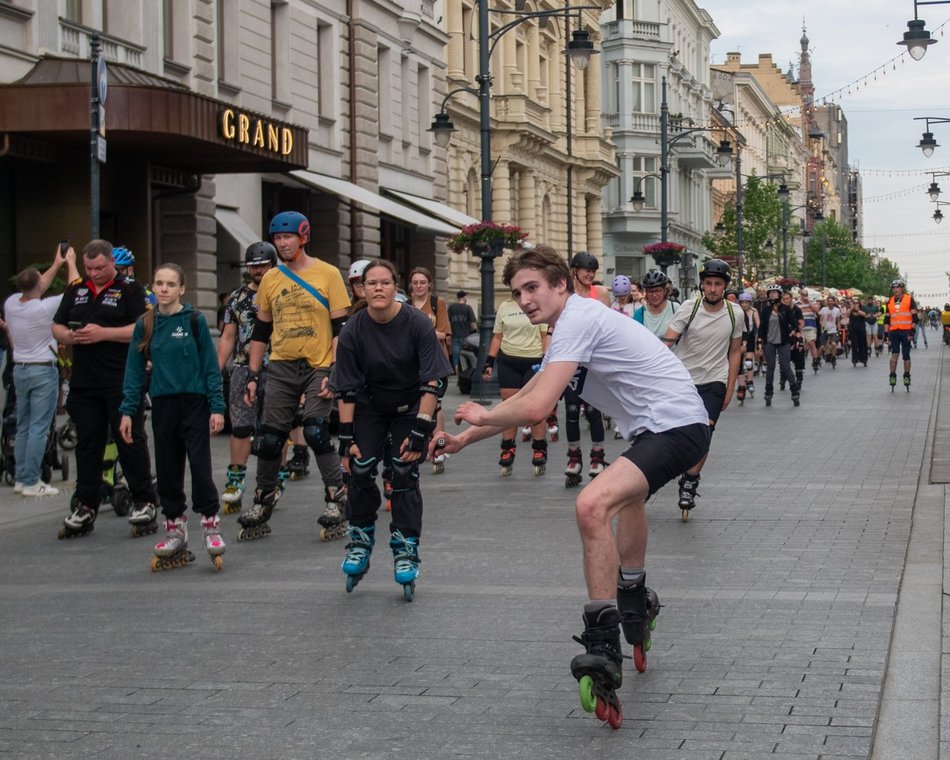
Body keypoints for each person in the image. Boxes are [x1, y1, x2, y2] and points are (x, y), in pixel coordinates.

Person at [432, 245, 710, 728]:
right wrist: (464, 439)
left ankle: (603, 641)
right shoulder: (567, 328)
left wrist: (483, 412)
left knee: (591, 505)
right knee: (627, 499)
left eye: (533, 287)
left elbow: (537, 410)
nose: (524, 299)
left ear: (562, 284)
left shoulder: (579, 318)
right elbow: (531, 392)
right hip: (661, 429)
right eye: (517, 293)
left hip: (677, 427)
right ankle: (634, 595)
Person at [333, 260, 452, 600]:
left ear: (395, 286)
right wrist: (345, 438)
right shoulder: (354, 329)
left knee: (402, 470)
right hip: (369, 406)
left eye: (385, 282)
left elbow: (434, 381)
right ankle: (360, 537)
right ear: (363, 289)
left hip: (410, 405)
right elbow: (346, 389)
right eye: (372, 283)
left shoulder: (416, 323)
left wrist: (420, 431)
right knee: (358, 468)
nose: (379, 289)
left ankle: (405, 546)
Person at [239, 211, 351, 540]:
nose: (282, 243)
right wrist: (252, 375)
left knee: (315, 431)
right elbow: (261, 331)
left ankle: (336, 497)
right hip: (282, 366)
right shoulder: (271, 279)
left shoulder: (328, 274)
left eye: (288, 237)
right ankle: (262, 501)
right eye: (277, 238)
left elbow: (339, 329)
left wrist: (335, 369)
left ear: (303, 237)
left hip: (318, 364)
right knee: (270, 437)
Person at [118, 264, 226, 571]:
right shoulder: (145, 324)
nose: (163, 289)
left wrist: (217, 407)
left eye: (170, 284)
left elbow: (209, 366)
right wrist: (127, 411)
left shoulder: (194, 320)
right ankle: (175, 527)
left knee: (201, 467)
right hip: (163, 405)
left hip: (194, 403)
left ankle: (210, 524)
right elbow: (134, 372)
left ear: (181, 289)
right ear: (152, 288)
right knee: (167, 469)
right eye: (158, 284)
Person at [52, 240, 158, 540]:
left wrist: (103, 333)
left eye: (99, 268)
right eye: (88, 268)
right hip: (85, 382)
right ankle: (86, 504)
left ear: (112, 262)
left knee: (129, 439)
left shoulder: (130, 289)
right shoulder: (77, 290)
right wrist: (68, 336)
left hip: (121, 380)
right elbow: (56, 325)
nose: (94, 273)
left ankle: (144, 500)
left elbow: (143, 328)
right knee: (87, 443)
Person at [661, 259, 743, 519]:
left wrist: (730, 387)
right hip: (684, 380)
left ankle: (690, 481)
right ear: (702, 285)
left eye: (718, 284)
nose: (712, 288)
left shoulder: (735, 313)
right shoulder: (689, 308)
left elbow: (735, 350)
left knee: (705, 432)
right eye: (708, 283)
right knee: (676, 432)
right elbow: (667, 343)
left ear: (725, 286)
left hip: (714, 381)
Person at [4, 244, 79, 496]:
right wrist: (70, 263)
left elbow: (38, 285)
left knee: (24, 426)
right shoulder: (44, 309)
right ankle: (32, 481)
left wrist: (55, 263)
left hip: (20, 370)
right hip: (42, 371)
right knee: (39, 426)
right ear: (38, 286)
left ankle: (22, 478)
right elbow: (74, 290)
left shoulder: (12, 303)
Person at [216, 242, 277, 513]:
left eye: (263, 265)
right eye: (254, 266)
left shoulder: (282, 294)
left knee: (274, 428)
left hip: (277, 366)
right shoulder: (236, 299)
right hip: (242, 367)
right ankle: (236, 480)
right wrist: (215, 370)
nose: (258, 270)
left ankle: (273, 479)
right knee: (240, 426)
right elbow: (228, 336)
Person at [481, 295, 550, 476]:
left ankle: (539, 446)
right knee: (509, 407)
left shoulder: (536, 303)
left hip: (533, 360)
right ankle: (508, 448)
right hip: (508, 361)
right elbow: (497, 337)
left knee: (534, 407)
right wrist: (489, 362)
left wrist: (546, 359)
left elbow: (545, 335)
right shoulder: (505, 306)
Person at [563, 251, 610, 486]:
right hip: (572, 359)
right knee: (571, 409)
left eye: (592, 271)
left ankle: (597, 458)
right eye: (585, 270)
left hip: (594, 359)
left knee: (593, 410)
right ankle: (574, 458)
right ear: (575, 271)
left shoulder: (600, 293)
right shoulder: (566, 294)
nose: (589, 274)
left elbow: (609, 325)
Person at [408, 267, 451, 474]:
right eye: (415, 282)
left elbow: (444, 333)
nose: (418, 286)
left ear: (429, 284)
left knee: (436, 403)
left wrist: (420, 332)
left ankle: (439, 442)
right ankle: (420, 441)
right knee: (417, 402)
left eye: (422, 282)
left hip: (434, 359)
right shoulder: (404, 305)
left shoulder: (437, 303)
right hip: (411, 362)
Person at [757, 284, 801, 408]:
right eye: (770, 293)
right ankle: (769, 391)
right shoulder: (765, 310)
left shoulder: (785, 309)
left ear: (779, 294)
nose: (772, 295)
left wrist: (795, 333)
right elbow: (762, 327)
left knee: (785, 365)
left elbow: (794, 324)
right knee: (770, 366)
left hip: (784, 341)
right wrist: (760, 342)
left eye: (775, 293)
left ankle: (794, 390)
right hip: (769, 341)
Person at [883, 278, 919, 391]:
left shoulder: (909, 299)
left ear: (902, 288)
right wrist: (886, 334)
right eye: (893, 287)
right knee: (894, 354)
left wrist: (912, 331)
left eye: (897, 287)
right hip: (894, 331)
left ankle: (907, 376)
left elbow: (915, 318)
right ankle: (892, 375)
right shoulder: (889, 301)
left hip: (906, 331)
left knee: (906, 355)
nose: (895, 289)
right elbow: (886, 319)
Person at [634, 270, 678, 338]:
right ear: (646, 293)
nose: (654, 295)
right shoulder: (640, 313)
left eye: (658, 291)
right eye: (650, 292)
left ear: (665, 291)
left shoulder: (675, 308)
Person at [735, 292, 759, 404]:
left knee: (748, 363)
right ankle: (742, 384)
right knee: (739, 364)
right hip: (739, 339)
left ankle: (749, 381)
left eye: (746, 302)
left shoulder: (753, 312)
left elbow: (758, 325)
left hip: (750, 339)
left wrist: (759, 339)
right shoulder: (737, 312)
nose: (744, 304)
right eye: (742, 302)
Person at [447, 289, 477, 375]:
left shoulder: (451, 307)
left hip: (454, 335)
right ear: (463, 297)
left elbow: (448, 322)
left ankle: (456, 374)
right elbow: (473, 323)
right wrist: (475, 332)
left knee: (456, 357)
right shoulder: (468, 308)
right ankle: (464, 374)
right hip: (466, 336)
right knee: (465, 356)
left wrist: (448, 335)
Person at [795, 287, 821, 372]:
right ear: (800, 295)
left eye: (806, 295)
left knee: (811, 343)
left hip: (811, 326)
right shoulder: (797, 303)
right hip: (801, 327)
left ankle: (815, 360)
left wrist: (809, 302)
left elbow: (816, 310)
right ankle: (801, 363)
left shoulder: (812, 302)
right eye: (803, 295)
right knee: (802, 346)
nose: (805, 296)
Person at [818, 295, 841, 368]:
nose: (830, 303)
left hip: (833, 330)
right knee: (822, 347)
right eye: (828, 301)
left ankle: (833, 358)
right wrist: (823, 326)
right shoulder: (823, 309)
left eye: (831, 301)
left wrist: (839, 329)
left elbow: (838, 321)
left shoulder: (837, 310)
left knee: (834, 344)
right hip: (825, 330)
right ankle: (817, 359)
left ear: (834, 302)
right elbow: (820, 320)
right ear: (827, 302)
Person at [849, 297, 869, 366]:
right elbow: (847, 314)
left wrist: (857, 310)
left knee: (862, 344)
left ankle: (864, 359)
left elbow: (864, 315)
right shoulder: (851, 310)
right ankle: (854, 359)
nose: (855, 304)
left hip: (861, 329)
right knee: (854, 344)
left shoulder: (862, 308)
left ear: (859, 303)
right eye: (854, 303)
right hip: (853, 329)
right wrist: (851, 308)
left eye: (857, 303)